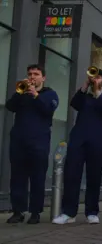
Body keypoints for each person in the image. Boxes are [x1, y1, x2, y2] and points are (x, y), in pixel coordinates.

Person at [52, 68, 102, 225]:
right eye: (94, 77)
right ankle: (68, 213)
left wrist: (98, 91)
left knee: (94, 176)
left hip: (98, 140)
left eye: (99, 77)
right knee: (71, 174)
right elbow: (74, 103)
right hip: (78, 139)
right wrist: (85, 85)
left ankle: (92, 212)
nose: (96, 79)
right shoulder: (84, 97)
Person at [5, 64, 59, 224]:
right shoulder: (22, 93)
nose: (32, 77)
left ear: (43, 77)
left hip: (39, 142)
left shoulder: (50, 94)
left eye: (36, 74)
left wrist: (35, 94)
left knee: (37, 177)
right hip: (19, 140)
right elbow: (10, 106)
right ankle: (18, 211)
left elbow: (48, 110)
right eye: (30, 74)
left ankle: (35, 212)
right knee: (17, 177)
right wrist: (19, 92)